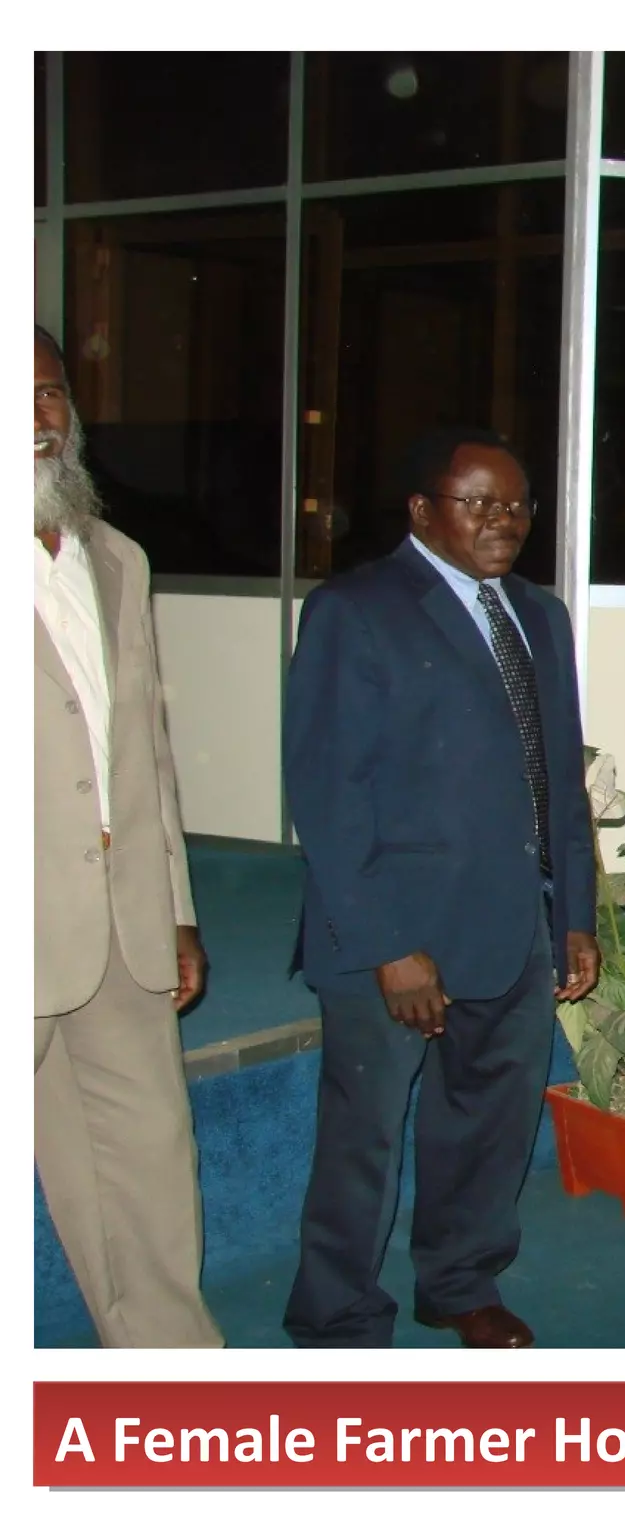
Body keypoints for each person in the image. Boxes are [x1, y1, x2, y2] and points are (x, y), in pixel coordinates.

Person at [282, 427, 600, 1347]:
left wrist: (573, 913)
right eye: (477, 502)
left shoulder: (539, 613)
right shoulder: (356, 609)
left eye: (516, 504)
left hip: (514, 925)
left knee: (488, 1130)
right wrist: (386, 945)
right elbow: (327, 792)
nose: (502, 519)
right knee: (362, 1145)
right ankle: (338, 1317)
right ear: (423, 511)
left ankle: (459, 1281)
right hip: (392, 939)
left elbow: (557, 776)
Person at [34, 325, 223, 1348]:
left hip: (118, 925)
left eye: (53, 395)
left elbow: (146, 751)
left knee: (150, 1158)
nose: (38, 418)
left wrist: (177, 910)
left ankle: (170, 1378)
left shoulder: (115, 560)